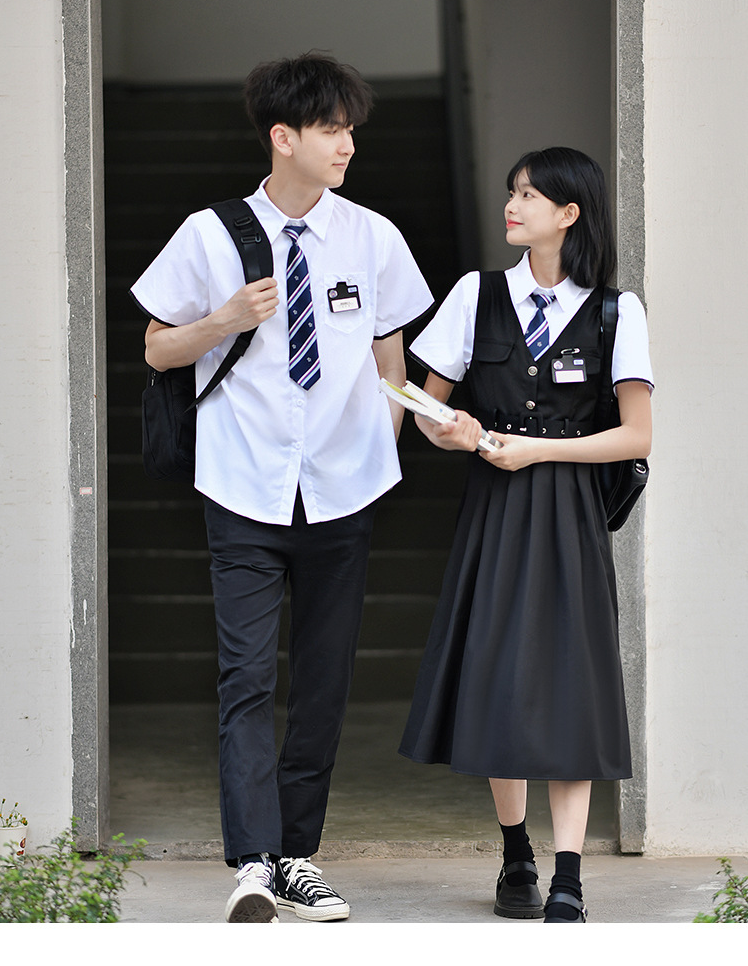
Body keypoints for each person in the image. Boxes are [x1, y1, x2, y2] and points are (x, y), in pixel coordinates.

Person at [130, 53, 432, 924]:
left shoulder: (372, 237)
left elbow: (389, 355)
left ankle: (297, 853)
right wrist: (224, 317)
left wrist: (387, 438)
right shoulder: (208, 234)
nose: (347, 144)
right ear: (283, 136)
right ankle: (254, 862)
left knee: (324, 682)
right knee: (246, 677)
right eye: (332, 128)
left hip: (343, 490)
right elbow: (156, 347)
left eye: (350, 129)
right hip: (243, 486)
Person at [399, 147, 653, 923]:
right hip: (495, 510)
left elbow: (637, 435)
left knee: (572, 682)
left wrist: (538, 449)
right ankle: (517, 854)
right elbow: (426, 407)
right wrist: (454, 429)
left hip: (570, 513)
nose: (513, 205)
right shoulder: (475, 294)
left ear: (569, 214)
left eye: (530, 195)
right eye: (513, 192)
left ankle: (570, 874)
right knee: (497, 675)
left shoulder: (616, 311)